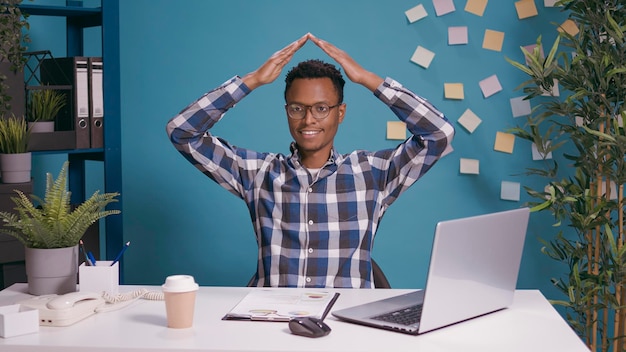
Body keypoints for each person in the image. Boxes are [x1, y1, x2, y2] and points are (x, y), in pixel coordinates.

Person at [167, 33, 454, 288]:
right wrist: (251, 81)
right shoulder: (257, 173)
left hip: (347, 327)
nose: (308, 120)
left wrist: (368, 79)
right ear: (286, 111)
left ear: (340, 113)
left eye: (321, 108)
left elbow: (438, 134)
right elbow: (182, 132)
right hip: (270, 323)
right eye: (297, 108)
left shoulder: (373, 174)